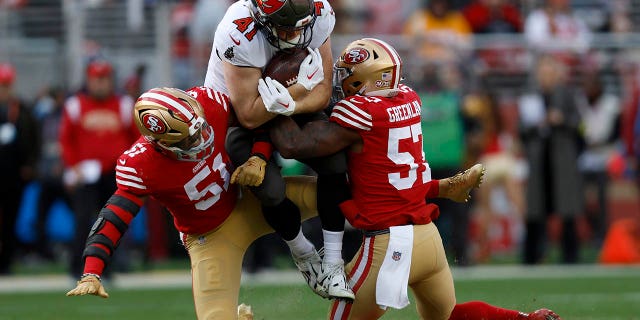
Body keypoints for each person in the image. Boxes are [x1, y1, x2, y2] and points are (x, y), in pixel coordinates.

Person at [265, 37, 561, 320]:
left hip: (388, 244)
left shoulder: (362, 112)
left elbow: (295, 146)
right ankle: (528, 318)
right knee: (448, 315)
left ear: (368, 78)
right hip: (427, 237)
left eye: (348, 75)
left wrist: (274, 107)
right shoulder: (409, 98)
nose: (341, 82)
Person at [65, 86, 322, 319]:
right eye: (189, 139)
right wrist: (92, 269)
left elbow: (258, 120)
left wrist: (258, 157)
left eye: (199, 128)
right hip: (210, 238)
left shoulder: (207, 103)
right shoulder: (141, 165)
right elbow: (115, 216)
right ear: (160, 144)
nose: (202, 138)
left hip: (250, 201)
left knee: (335, 195)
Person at [203, 0, 353, 300]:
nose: (293, 36)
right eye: (284, 28)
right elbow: (249, 113)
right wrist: (296, 91)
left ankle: (335, 262)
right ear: (261, 17)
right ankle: (302, 251)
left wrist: (293, 104)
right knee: (268, 188)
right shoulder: (238, 30)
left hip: (293, 101)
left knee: (335, 160)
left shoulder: (320, 12)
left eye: (299, 27)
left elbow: (322, 94)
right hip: (239, 112)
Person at [59, 60, 140, 278]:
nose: (101, 84)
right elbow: (66, 140)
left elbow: (137, 139)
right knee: (83, 220)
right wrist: (73, 167)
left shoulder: (124, 104)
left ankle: (107, 269)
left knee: (112, 222)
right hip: (85, 174)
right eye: (97, 79)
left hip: (115, 173)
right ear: (89, 80)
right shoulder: (75, 105)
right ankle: (77, 268)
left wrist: (131, 167)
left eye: (105, 79)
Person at [0, 62, 39, 274]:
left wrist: (30, 165)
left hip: (14, 176)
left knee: (10, 219)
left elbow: (34, 138)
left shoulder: (21, 109)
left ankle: (6, 262)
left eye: (6, 85)